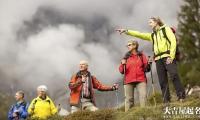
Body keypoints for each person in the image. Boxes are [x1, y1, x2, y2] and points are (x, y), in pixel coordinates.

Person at [116, 17, 185, 103]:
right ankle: (166, 101)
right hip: (158, 59)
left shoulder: (166, 29)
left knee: (174, 75)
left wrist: (171, 56)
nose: (149, 24)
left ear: (156, 22)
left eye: (150, 22)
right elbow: (139, 34)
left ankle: (181, 96)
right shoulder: (152, 35)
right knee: (162, 80)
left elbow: (173, 41)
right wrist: (126, 31)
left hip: (168, 56)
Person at [119, 40, 148, 112]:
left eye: (129, 45)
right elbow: (121, 71)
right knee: (129, 100)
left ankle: (144, 114)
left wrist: (149, 63)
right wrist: (123, 64)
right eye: (127, 45)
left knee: (143, 97)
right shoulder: (126, 57)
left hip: (141, 79)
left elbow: (147, 69)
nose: (127, 46)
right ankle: (128, 116)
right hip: (128, 80)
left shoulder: (141, 56)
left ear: (135, 46)